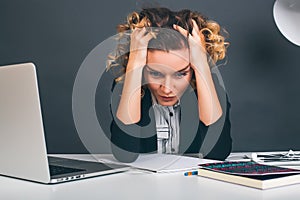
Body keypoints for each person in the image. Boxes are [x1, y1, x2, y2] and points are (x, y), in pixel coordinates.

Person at [106, 7, 232, 162]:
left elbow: (217, 154)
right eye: (155, 73)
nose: (167, 88)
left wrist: (202, 64)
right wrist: (135, 61)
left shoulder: (209, 88)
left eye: (181, 74)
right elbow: (124, 155)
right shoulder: (126, 87)